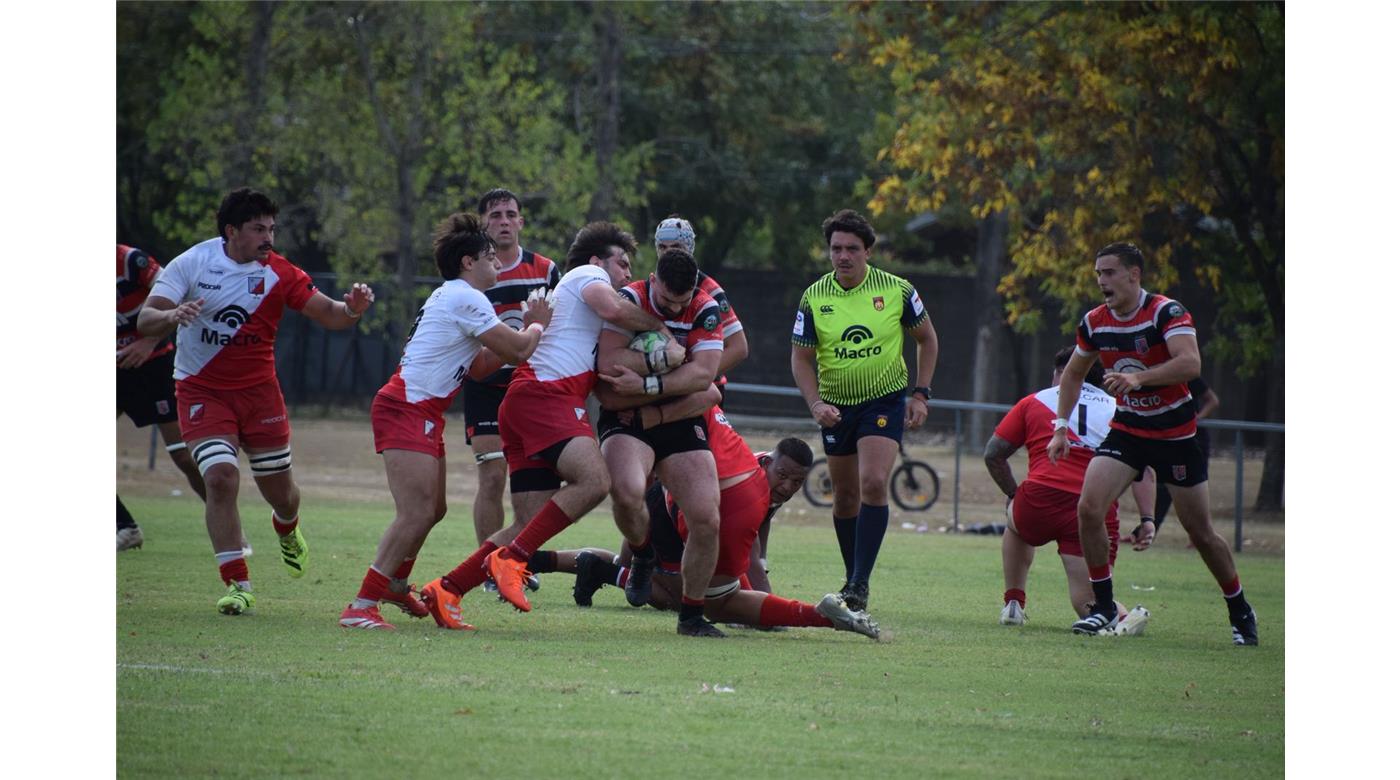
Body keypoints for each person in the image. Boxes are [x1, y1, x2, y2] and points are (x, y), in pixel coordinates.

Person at [418, 221, 669, 628]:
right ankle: (513, 560)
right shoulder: (588, 276)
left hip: (523, 400)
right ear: (596, 262)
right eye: (622, 264)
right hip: (546, 396)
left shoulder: (581, 305)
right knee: (595, 482)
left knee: (524, 524)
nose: (627, 274)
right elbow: (611, 306)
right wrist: (658, 327)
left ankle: (447, 588)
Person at [137, 188, 376, 616]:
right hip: (201, 391)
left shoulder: (279, 272)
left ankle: (287, 528)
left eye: (271, 228)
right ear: (231, 231)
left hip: (259, 394)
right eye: (258, 229)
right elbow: (146, 318)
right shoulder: (191, 263)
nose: (268, 237)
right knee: (221, 478)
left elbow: (330, 314)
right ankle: (238, 585)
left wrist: (353, 309)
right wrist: (172, 316)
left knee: (281, 495)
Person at [339, 213, 552, 630]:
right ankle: (361, 605)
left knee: (433, 509)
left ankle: (396, 586)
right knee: (415, 512)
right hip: (406, 407)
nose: (498, 264)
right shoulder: (466, 298)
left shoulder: (453, 296)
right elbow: (519, 351)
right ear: (468, 262)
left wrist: (519, 339)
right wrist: (537, 323)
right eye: (490, 257)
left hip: (421, 409)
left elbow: (478, 366)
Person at [1047, 242, 1257, 645]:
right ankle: (1105, 607)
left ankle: (1239, 607)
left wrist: (1139, 378)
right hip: (1128, 431)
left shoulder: (1166, 311)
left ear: (1133, 275)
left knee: (1200, 533)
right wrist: (1060, 426)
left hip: (1176, 436)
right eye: (1098, 274)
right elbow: (1073, 373)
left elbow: (1190, 363)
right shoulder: (1094, 322)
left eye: (1108, 272)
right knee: (1089, 507)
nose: (1102, 281)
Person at [790, 209, 939, 612]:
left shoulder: (897, 290)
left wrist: (921, 394)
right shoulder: (814, 297)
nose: (843, 256)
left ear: (868, 251)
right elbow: (801, 359)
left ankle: (858, 582)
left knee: (873, 482)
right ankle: (853, 577)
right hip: (836, 407)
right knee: (844, 497)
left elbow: (927, 339)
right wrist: (815, 403)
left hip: (884, 400)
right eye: (836, 248)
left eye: (852, 249)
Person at [592, 248, 729, 636]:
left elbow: (704, 375)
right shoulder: (630, 299)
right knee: (626, 491)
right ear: (653, 281)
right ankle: (642, 552)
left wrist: (646, 384)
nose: (672, 309)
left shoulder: (705, 308)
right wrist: (668, 362)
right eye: (666, 301)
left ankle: (690, 616)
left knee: (706, 518)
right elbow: (608, 366)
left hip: (679, 418)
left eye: (680, 303)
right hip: (628, 418)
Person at [983, 347, 1148, 634]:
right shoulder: (1117, 408)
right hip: (1091, 512)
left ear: (1062, 373)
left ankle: (1013, 603)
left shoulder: (1034, 401)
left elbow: (993, 454)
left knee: (1016, 521)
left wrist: (1013, 493)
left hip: (1039, 501)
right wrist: (1148, 518)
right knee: (1087, 601)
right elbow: (1144, 472)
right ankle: (1122, 618)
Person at [462, 189, 561, 552]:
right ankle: (486, 566)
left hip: (530, 385)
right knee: (491, 477)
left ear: (520, 221)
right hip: (486, 384)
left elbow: (560, 325)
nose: (503, 221)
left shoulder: (546, 269)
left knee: (532, 481)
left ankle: (516, 561)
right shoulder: (471, 273)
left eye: (510, 214)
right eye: (495, 215)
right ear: (484, 223)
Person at [117, 243, 209, 551]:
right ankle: (125, 528)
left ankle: (231, 528)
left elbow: (174, 302)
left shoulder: (131, 260)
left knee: (182, 454)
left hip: (153, 365)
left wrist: (148, 342)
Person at [653, 216, 748, 401]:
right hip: (664, 387)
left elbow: (739, 347)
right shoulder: (653, 283)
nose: (667, 253)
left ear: (689, 249)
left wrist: (694, 378)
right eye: (662, 247)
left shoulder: (709, 290)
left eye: (676, 247)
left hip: (700, 393)